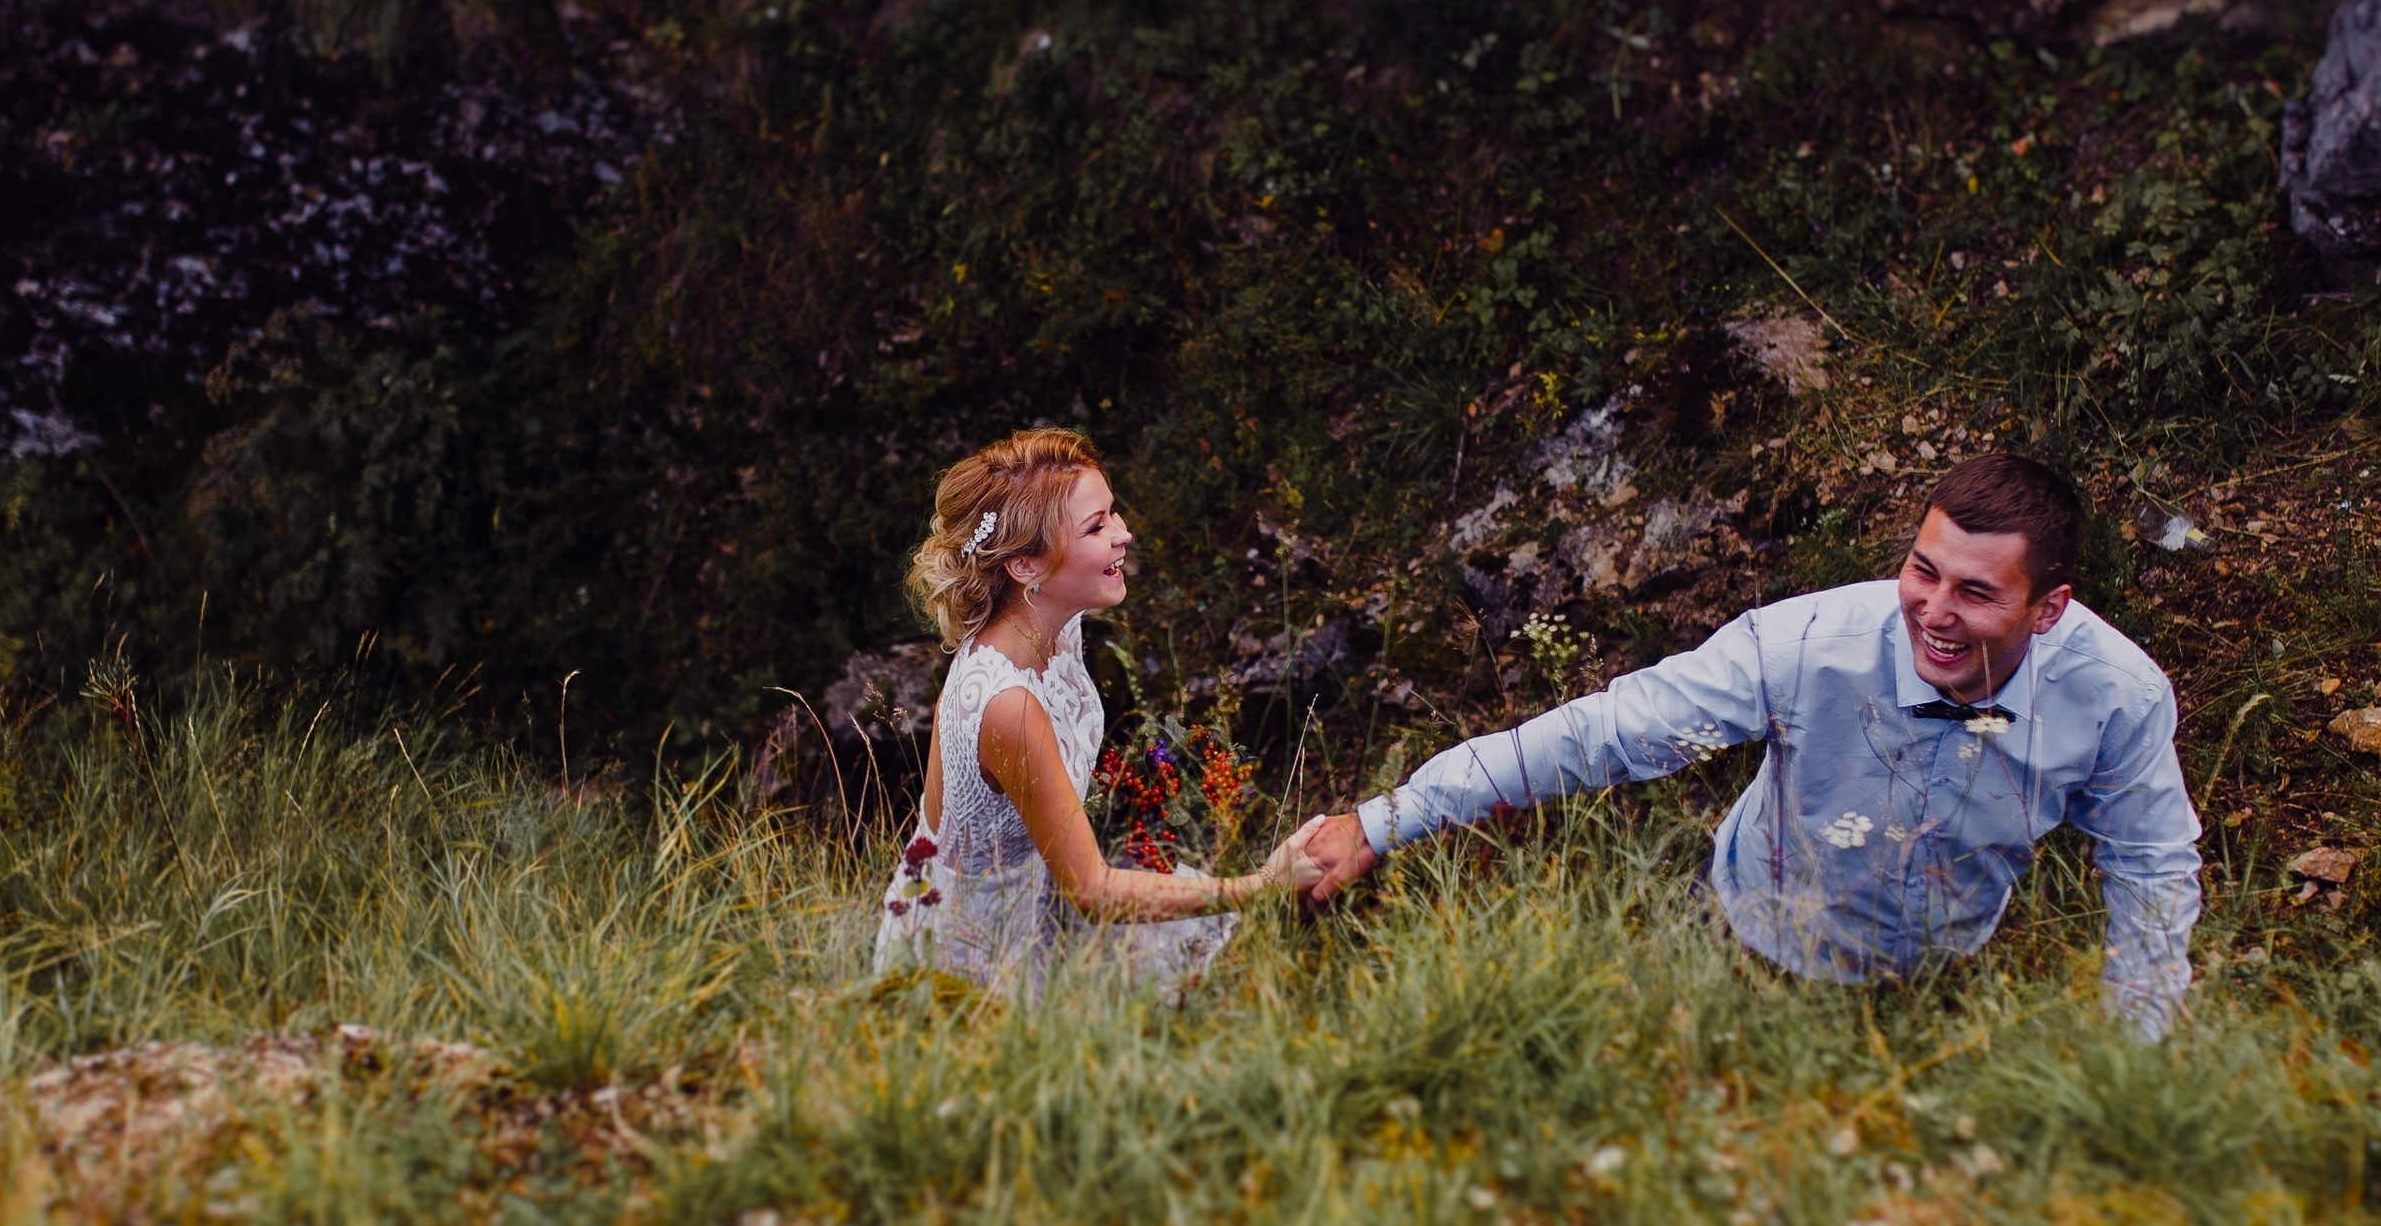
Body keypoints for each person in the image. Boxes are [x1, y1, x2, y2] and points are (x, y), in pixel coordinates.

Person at [1300, 455, 2204, 1036]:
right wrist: (1384, 821)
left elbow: (2151, 868)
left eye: (1975, 593)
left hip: (1946, 974)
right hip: (1745, 937)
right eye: (1922, 571)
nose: (1934, 610)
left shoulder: (2119, 698)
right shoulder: (1806, 643)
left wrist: (2135, 1048)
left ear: (2049, 608)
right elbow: (1607, 731)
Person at [876, 426, 1327, 993]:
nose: (1125, 534)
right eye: (1097, 526)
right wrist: (1261, 883)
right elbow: (1089, 890)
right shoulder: (1006, 704)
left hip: (1041, 898)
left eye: (1113, 513)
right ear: (1026, 567)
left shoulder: (1051, 627)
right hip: (975, 958)